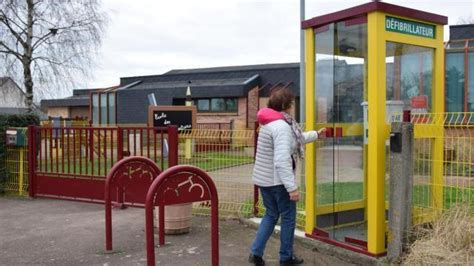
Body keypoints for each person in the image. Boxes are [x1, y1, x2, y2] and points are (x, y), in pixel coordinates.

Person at [249, 88, 326, 266]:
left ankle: (256, 254)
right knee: (288, 217)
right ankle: (286, 257)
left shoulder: (270, 123)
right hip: (278, 182)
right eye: (291, 104)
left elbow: (293, 141)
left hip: (264, 180)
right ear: (285, 106)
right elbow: (282, 159)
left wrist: (316, 134)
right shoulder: (282, 126)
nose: (293, 107)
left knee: (270, 215)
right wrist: (292, 188)